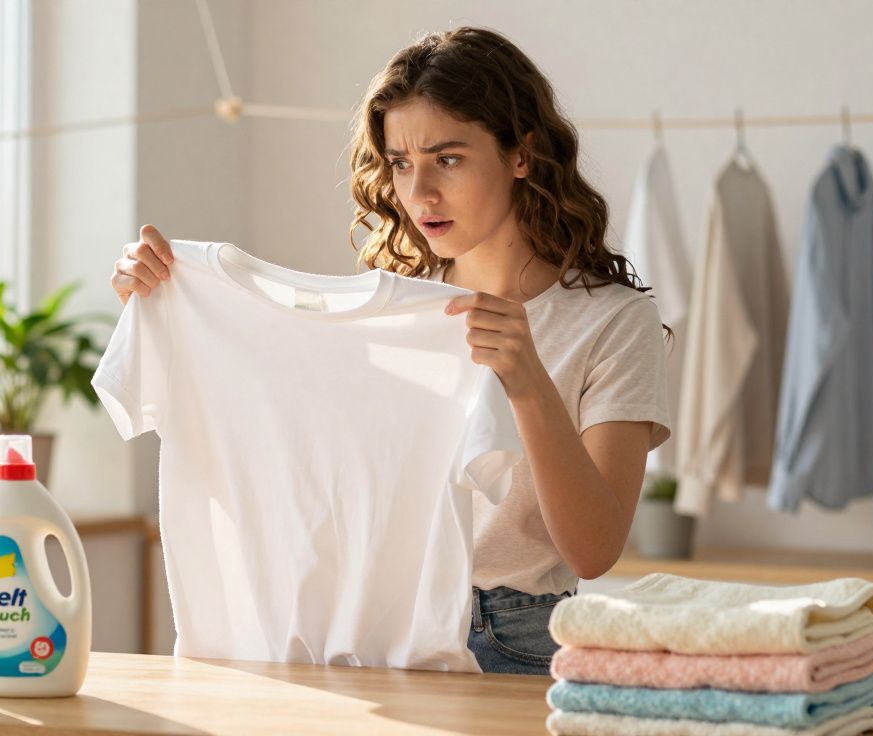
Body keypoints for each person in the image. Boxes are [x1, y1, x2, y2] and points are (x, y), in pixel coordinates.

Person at [108, 27, 670, 676]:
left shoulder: (614, 321)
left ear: (523, 153)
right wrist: (171, 308)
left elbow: (595, 550)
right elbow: (292, 455)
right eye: (401, 162)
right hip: (369, 636)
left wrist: (526, 380)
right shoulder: (390, 310)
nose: (420, 191)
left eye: (448, 158)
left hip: (513, 641)